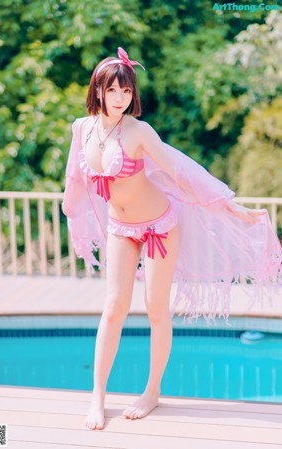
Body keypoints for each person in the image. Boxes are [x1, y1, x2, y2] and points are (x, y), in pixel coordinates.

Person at [62, 47, 282, 430]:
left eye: (126, 92)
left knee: (155, 307)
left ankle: (151, 392)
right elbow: (75, 178)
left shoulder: (139, 131)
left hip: (160, 224)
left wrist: (231, 205)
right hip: (121, 227)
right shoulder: (83, 128)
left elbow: (182, 170)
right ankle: (97, 397)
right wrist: (70, 209)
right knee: (113, 307)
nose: (120, 99)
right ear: (97, 91)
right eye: (112, 90)